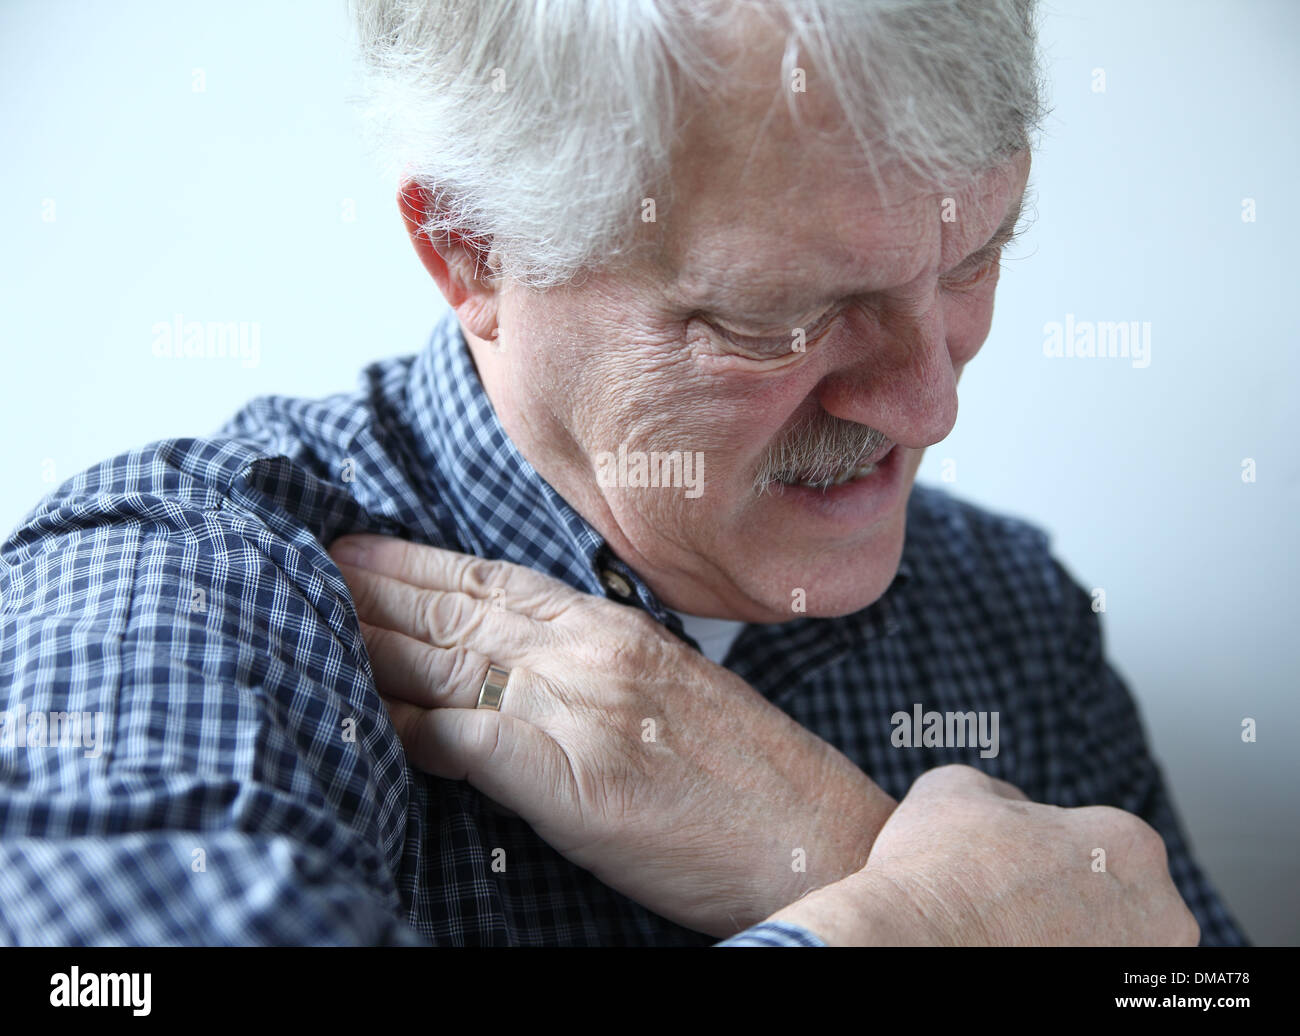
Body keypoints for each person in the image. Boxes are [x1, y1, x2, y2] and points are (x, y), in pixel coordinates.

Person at [0, 0, 1243, 945]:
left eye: (974, 258)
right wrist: (886, 927)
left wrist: (836, 840)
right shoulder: (181, 598)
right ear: (472, 252)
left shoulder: (1017, 613)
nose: (931, 402)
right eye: (784, 316)